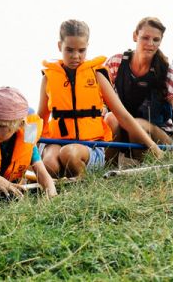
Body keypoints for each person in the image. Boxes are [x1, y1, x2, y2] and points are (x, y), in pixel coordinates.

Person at [38, 19, 162, 178]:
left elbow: (122, 115)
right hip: (57, 141)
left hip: (90, 145)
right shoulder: (48, 78)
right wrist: (27, 149)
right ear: (59, 46)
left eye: (81, 50)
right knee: (50, 164)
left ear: (87, 47)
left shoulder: (97, 75)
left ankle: (84, 185)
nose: (76, 56)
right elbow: (40, 118)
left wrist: (152, 146)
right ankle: (61, 180)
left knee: (69, 154)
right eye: (69, 50)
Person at [104, 17, 173, 164]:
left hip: (159, 135)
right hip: (125, 132)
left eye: (156, 40)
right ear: (135, 36)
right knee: (110, 117)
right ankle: (108, 165)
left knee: (137, 123)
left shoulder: (167, 71)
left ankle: (142, 165)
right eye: (145, 38)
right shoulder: (115, 63)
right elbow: (98, 98)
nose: (150, 44)